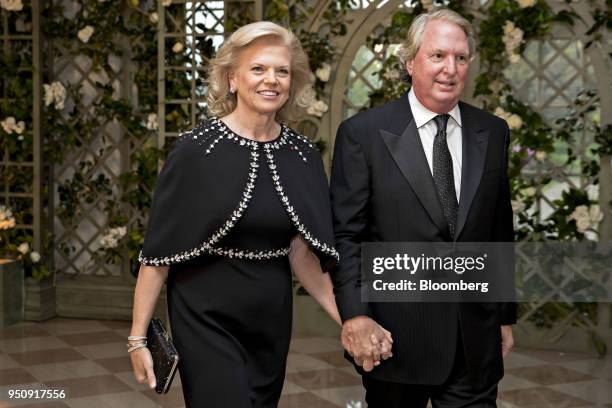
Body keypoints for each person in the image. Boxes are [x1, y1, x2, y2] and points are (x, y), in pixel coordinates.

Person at [127, 21, 391, 408]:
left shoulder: (302, 155)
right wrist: (137, 339)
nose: (272, 80)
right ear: (232, 79)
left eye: (281, 71)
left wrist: (351, 320)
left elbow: (304, 256)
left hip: (270, 318)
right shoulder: (194, 151)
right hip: (204, 314)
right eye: (258, 69)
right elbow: (157, 256)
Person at [330, 8, 516, 408]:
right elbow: (347, 235)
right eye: (437, 56)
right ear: (410, 61)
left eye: (460, 58)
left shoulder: (493, 131)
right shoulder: (362, 135)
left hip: (474, 342)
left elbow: (499, 227)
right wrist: (356, 316)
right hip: (395, 342)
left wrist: (502, 314)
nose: (450, 68)